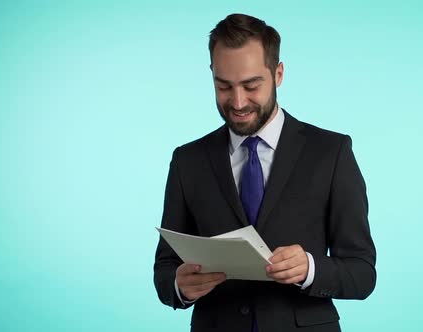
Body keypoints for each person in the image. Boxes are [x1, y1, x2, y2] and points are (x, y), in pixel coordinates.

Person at [154, 13, 376, 332]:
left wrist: (310, 269)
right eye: (224, 86)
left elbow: (362, 274)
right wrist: (178, 286)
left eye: (251, 85)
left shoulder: (331, 153)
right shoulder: (188, 160)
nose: (238, 101)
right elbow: (165, 268)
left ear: (278, 73)